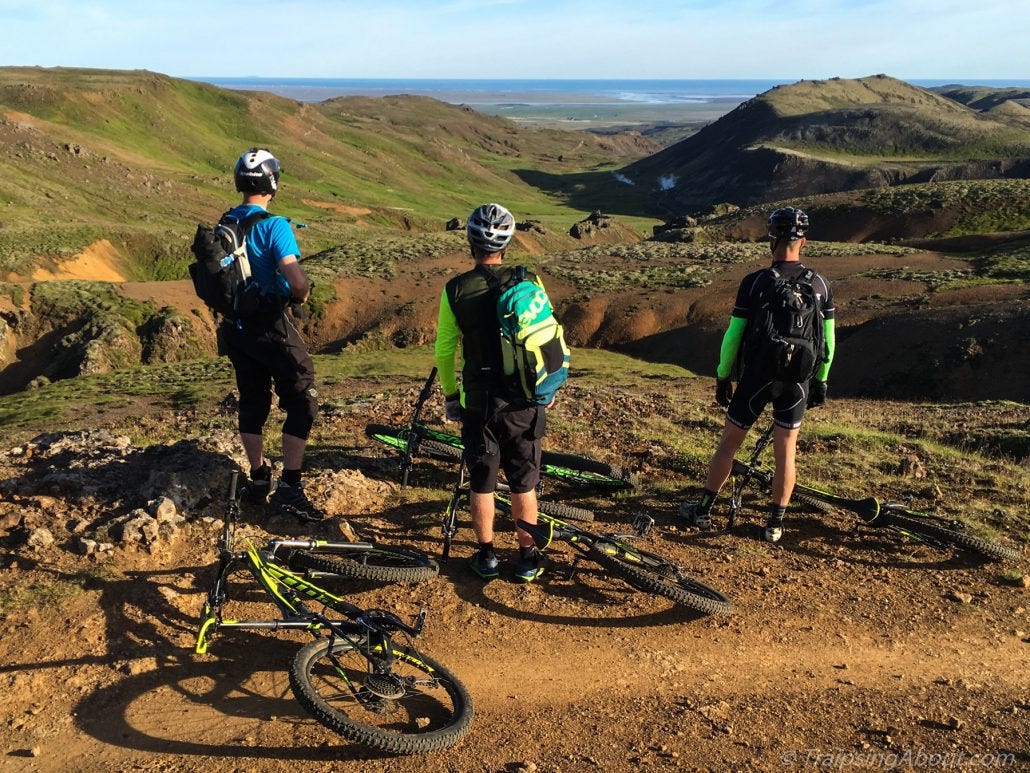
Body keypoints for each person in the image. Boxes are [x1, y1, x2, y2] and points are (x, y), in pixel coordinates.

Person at [680, 207, 835, 542]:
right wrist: (821, 380)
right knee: (786, 451)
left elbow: (734, 336)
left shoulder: (756, 283)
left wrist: (724, 377)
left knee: (728, 446)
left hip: (756, 377)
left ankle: (704, 511)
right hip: (797, 381)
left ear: (771, 240)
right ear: (803, 242)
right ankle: (774, 525)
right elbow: (829, 342)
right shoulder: (820, 285)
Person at [434, 203, 548, 582]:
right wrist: (546, 385)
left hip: (478, 402)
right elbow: (546, 334)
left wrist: (452, 396)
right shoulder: (528, 281)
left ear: (471, 242)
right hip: (524, 400)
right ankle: (528, 557)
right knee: (524, 479)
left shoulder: (455, 290)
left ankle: (486, 557)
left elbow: (444, 349)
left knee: (482, 479)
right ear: (508, 243)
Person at [218, 148, 321, 521]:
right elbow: (296, 281)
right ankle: (290, 487)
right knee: (302, 396)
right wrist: (304, 291)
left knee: (252, 402)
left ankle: (259, 477)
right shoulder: (274, 225)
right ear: (272, 183)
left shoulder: (225, 223)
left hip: (236, 329)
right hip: (269, 326)